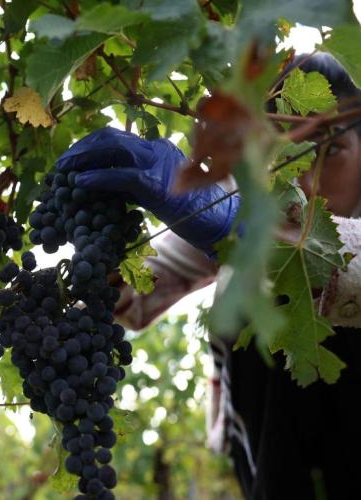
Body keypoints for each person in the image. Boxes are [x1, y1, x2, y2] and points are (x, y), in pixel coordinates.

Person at [56, 53, 361, 500]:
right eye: (282, 155)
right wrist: (74, 281)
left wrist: (243, 232)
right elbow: (134, 294)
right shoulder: (255, 200)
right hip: (274, 465)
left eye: (330, 150)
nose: (307, 182)